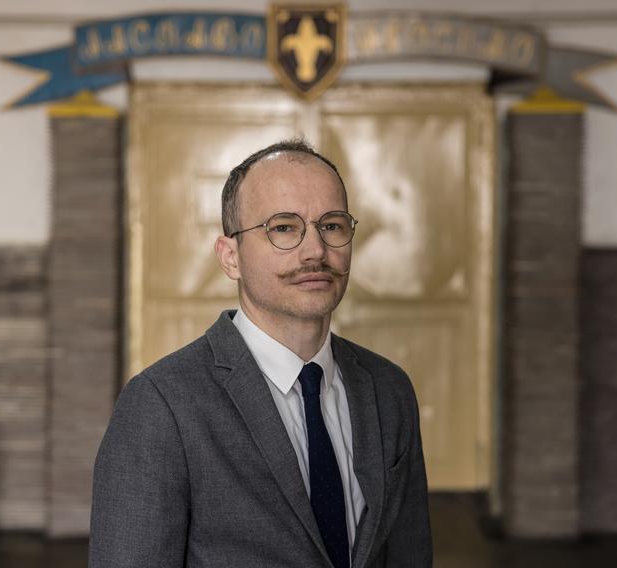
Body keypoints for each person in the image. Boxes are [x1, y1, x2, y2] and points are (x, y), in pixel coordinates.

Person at [89, 139, 432, 567]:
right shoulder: (161, 406)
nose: (315, 251)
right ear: (230, 257)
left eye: (332, 225)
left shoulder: (389, 388)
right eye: (283, 227)